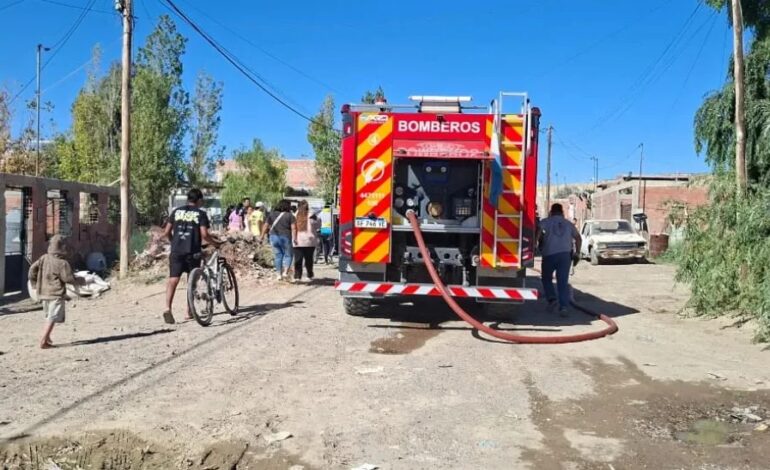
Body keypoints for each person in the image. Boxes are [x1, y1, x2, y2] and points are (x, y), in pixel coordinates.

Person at [163, 188, 220, 324]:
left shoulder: (176, 211)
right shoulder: (201, 214)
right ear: (199, 200)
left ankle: (167, 308)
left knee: (173, 280)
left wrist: (174, 242)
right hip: (192, 252)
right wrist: (215, 243)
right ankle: (188, 311)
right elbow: (204, 234)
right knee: (192, 281)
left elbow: (166, 232)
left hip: (176, 251)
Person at [28, 235, 84, 349]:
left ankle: (47, 338)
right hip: (55, 294)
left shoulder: (43, 258)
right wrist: (80, 280)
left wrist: (34, 283)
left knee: (49, 316)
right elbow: (68, 278)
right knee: (52, 317)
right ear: (63, 247)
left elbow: (32, 270)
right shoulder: (62, 263)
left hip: (43, 293)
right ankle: (43, 341)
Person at [538, 203, 582, 317]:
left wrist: (535, 244)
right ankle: (563, 307)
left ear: (551, 211)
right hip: (565, 256)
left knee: (546, 278)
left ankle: (552, 299)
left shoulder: (546, 222)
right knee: (562, 281)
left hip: (549, 254)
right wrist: (577, 253)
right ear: (562, 212)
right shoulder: (568, 224)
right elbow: (578, 238)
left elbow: (538, 231)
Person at [262, 199, 297, 281]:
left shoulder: (271, 214)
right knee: (288, 255)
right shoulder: (290, 215)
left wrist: (262, 236)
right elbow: (294, 228)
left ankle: (278, 274)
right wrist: (294, 238)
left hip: (273, 237)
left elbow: (265, 225)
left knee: (278, 255)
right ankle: (285, 272)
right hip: (286, 237)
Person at [293, 200, 321, 282]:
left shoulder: (294, 216)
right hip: (310, 241)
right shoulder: (312, 216)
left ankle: (297, 276)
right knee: (309, 259)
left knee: (298, 260)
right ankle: (309, 275)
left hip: (297, 241)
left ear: (298, 207)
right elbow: (318, 225)